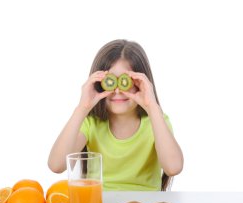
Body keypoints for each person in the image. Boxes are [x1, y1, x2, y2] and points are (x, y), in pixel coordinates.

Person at [48, 39, 183, 191]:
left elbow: (173, 168)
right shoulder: (91, 124)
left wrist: (152, 107)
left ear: (143, 83)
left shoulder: (157, 122)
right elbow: (56, 165)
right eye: (110, 81)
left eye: (127, 82)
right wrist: (82, 108)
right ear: (98, 84)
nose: (118, 90)